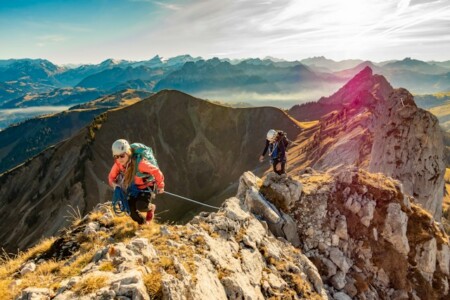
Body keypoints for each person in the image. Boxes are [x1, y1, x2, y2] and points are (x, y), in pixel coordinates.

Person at [108, 139, 165, 225]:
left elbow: (156, 171)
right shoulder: (118, 164)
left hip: (146, 186)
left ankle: (151, 208)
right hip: (133, 188)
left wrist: (160, 186)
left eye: (122, 155)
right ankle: (143, 225)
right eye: (116, 156)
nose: (119, 159)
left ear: (128, 152)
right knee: (131, 211)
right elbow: (111, 177)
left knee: (141, 206)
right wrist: (115, 185)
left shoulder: (141, 164)